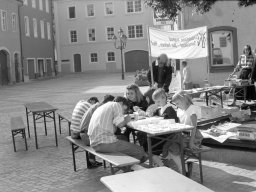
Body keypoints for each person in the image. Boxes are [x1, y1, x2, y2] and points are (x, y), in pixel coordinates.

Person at [88, 96, 148, 163]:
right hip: (104, 143)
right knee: (141, 152)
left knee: (123, 138)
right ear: (121, 103)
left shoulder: (103, 106)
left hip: (94, 143)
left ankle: (126, 165)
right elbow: (120, 124)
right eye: (124, 110)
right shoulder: (116, 105)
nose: (122, 113)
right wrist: (126, 119)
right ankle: (127, 168)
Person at [163, 91, 203, 174]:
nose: (177, 106)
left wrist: (191, 142)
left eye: (178, 103)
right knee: (171, 146)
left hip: (193, 136)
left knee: (170, 145)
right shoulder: (180, 110)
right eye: (176, 104)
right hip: (182, 135)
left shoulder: (192, 109)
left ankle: (182, 169)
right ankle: (184, 168)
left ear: (184, 99)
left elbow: (194, 127)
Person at [137, 89, 179, 159]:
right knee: (141, 134)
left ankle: (154, 158)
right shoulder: (159, 109)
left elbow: (173, 123)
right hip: (159, 133)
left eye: (158, 101)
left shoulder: (170, 109)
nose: (157, 104)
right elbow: (151, 116)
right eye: (155, 102)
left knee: (148, 141)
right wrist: (145, 113)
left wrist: (157, 120)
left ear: (164, 98)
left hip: (167, 136)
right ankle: (153, 157)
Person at [70, 96, 100, 168]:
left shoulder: (80, 103)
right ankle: (91, 160)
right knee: (95, 136)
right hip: (78, 133)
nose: (95, 106)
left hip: (73, 132)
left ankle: (91, 159)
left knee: (90, 132)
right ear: (92, 101)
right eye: (95, 104)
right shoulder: (89, 106)